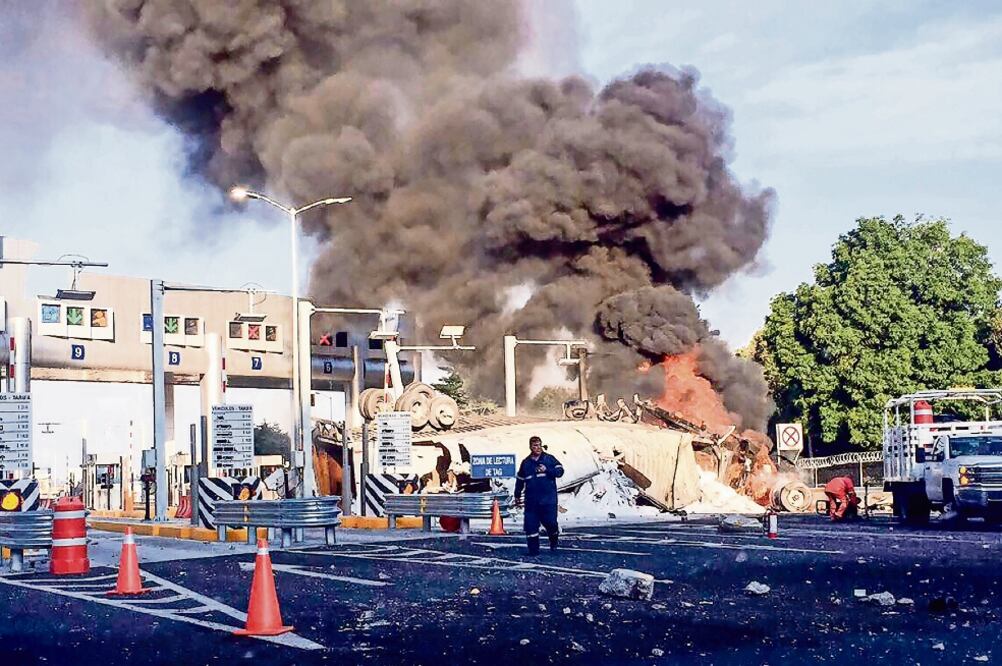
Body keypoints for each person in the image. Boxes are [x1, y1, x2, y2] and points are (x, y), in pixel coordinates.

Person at [514, 436, 564, 555]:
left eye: (539, 445)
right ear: (530, 447)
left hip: (548, 501)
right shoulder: (526, 463)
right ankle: (533, 551)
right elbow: (520, 480)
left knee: (551, 523)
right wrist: (517, 495)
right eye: (535, 445)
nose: (538, 448)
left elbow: (560, 472)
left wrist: (547, 470)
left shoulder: (549, 459)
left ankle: (554, 541)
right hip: (532, 501)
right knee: (531, 526)